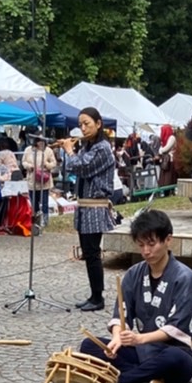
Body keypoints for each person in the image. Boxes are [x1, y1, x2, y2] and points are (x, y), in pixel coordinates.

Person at [79, 209, 192, 383]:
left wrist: (140, 338)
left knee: (174, 358)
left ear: (168, 240)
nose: (146, 251)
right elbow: (121, 315)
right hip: (142, 351)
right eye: (141, 244)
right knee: (89, 345)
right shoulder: (134, 273)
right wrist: (117, 338)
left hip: (175, 351)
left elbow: (178, 326)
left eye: (151, 244)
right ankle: (147, 379)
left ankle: (124, 378)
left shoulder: (185, 277)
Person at [61, 107, 116, 311]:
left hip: (95, 206)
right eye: (81, 124)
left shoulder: (102, 148)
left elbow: (82, 167)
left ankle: (98, 297)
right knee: (87, 252)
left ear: (99, 124)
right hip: (85, 205)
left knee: (92, 252)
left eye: (87, 124)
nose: (83, 128)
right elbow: (75, 166)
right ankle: (93, 294)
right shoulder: (88, 146)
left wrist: (68, 150)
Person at [21, 136, 57, 225]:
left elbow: (54, 163)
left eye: (43, 141)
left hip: (44, 180)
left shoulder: (48, 150)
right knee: (34, 202)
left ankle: (45, 220)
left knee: (44, 202)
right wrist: (29, 166)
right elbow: (23, 162)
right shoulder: (28, 150)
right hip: (32, 180)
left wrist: (46, 164)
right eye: (39, 141)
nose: (41, 143)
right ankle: (35, 220)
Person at [156, 124, 178, 188]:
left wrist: (160, 150)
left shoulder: (172, 138)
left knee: (169, 179)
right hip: (165, 161)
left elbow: (165, 149)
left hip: (170, 161)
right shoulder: (164, 140)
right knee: (164, 179)